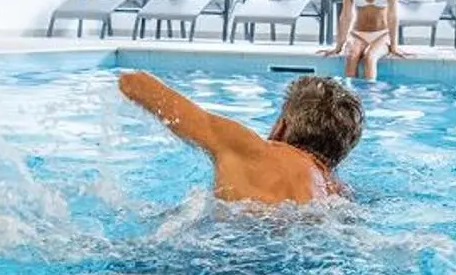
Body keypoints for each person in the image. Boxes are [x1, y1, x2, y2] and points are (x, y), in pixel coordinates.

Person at [117, 70, 362, 205]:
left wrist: (127, 78)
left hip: (229, 270)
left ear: (281, 127)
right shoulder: (336, 193)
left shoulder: (252, 150)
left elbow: (135, 84)